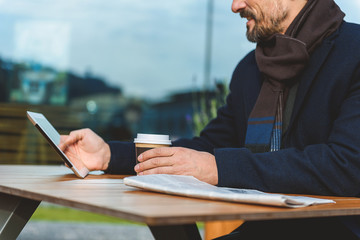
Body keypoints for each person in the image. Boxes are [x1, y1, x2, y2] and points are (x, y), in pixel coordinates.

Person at [60, 0, 360, 239]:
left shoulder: (355, 52)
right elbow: (208, 146)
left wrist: (217, 167)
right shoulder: (250, 69)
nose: (235, 5)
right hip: (262, 229)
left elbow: (348, 165)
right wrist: (110, 155)